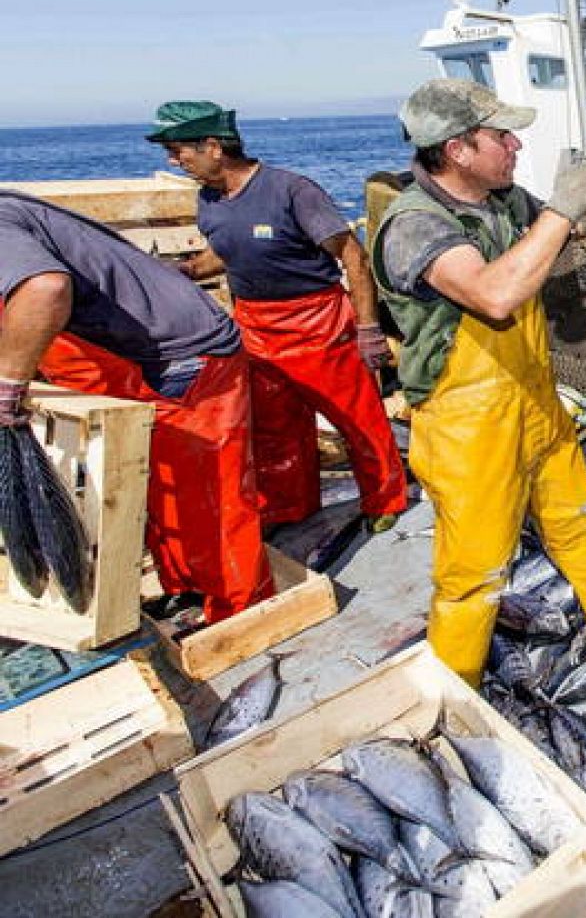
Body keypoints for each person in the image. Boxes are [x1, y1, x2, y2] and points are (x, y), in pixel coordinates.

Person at [371, 77, 586, 686]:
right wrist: (557, 210)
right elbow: (495, 295)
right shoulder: (415, 225)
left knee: (576, 508)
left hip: (530, 395)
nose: (515, 145)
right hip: (466, 421)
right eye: (501, 135)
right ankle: (455, 686)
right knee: (474, 567)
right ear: (457, 150)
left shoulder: (498, 199)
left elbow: (569, 231)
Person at [0, 190, 273, 624]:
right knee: (156, 485)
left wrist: (9, 385)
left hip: (181, 357)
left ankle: (241, 612)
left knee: (208, 495)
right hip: (130, 355)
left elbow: (46, 290)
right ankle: (188, 589)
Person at [147, 101, 408, 535]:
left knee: (356, 420)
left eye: (178, 151)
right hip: (255, 327)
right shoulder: (210, 200)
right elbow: (224, 249)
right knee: (274, 428)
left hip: (317, 323)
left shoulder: (291, 191)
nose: (174, 161)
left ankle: (385, 500)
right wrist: (192, 269)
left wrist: (367, 328)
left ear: (213, 147)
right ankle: (291, 508)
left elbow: (353, 256)